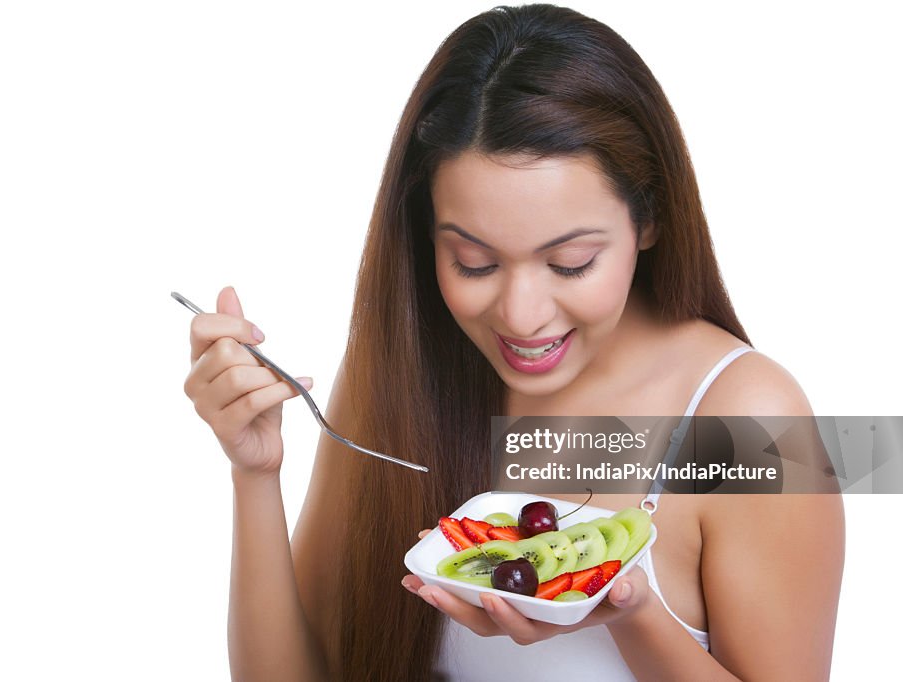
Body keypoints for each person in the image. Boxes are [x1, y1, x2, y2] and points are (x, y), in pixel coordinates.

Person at [182, 5, 844, 680]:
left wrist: (631, 612)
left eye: (571, 262)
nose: (522, 317)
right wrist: (255, 475)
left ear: (648, 218)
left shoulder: (754, 422)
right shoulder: (405, 371)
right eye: (474, 262)